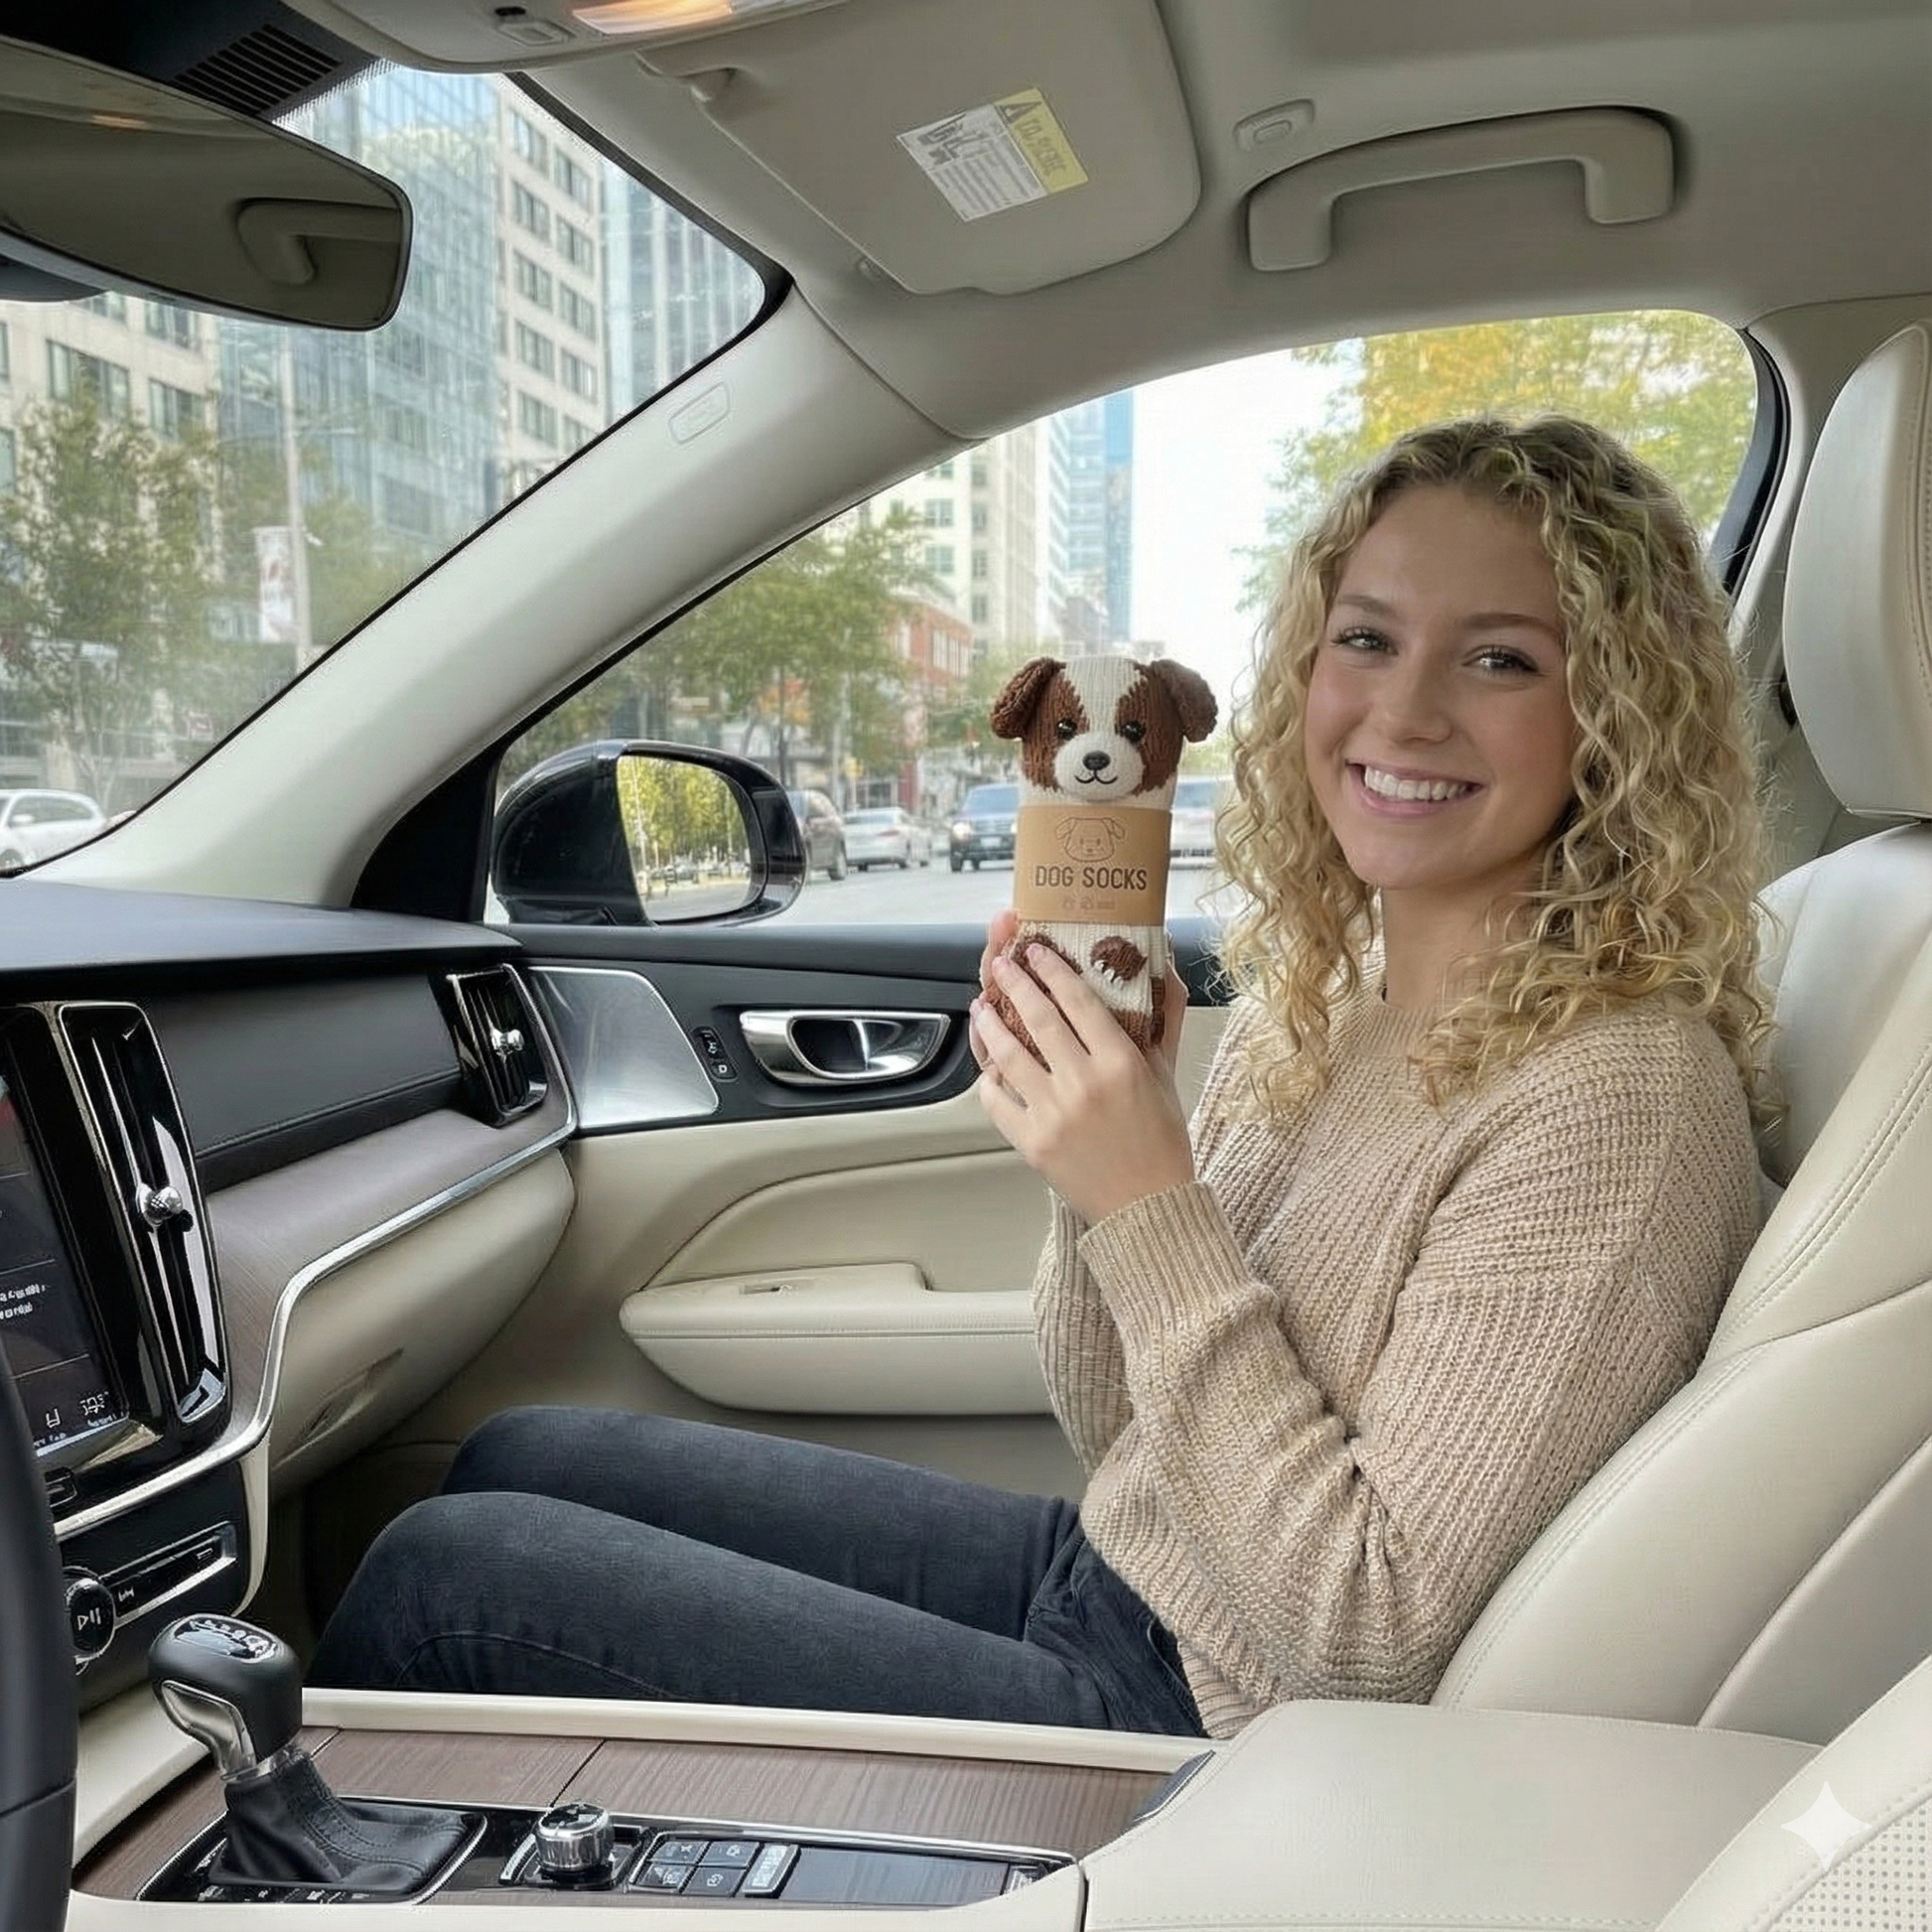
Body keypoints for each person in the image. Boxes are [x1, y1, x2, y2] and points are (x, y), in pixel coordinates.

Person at [309, 416, 1765, 1740]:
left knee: (446, 1579)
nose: (1403, 713)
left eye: (1500, 659)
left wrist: (1147, 1198)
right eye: (1367, 639)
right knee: (514, 1454)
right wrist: (1093, 1174)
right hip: (1118, 1570)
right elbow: (1119, 1427)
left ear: (1615, 713)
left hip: (1204, 1724)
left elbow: (1368, 1640)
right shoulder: (1338, 994)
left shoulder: (1615, 1099)